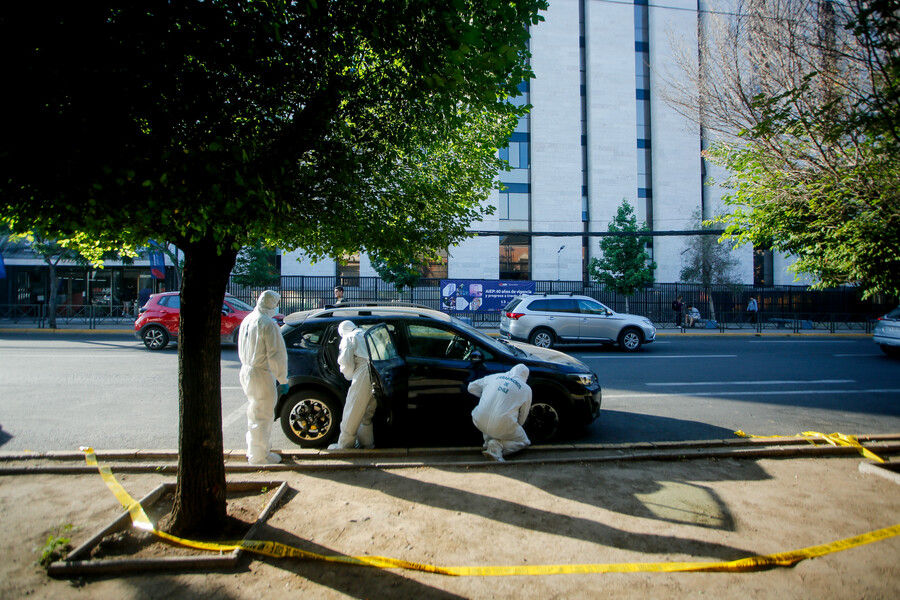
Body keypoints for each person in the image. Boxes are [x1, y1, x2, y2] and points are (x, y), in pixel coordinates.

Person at [239, 290, 289, 465]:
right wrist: (282, 379)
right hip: (261, 373)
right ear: (271, 304)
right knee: (263, 415)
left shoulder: (248, 320)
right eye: (276, 304)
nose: (277, 307)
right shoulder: (268, 324)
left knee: (254, 412)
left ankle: (255, 450)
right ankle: (259, 456)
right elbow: (276, 355)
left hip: (247, 371)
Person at [468, 364, 533, 462]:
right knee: (524, 441)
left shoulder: (493, 377)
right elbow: (523, 414)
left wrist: (485, 396)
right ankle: (497, 447)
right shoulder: (526, 389)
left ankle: (488, 441)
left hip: (478, 420)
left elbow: (470, 387)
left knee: (488, 413)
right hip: (502, 424)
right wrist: (517, 426)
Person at [328, 320, 377, 449]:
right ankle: (366, 443)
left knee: (353, 409)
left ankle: (345, 445)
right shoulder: (366, 332)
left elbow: (346, 361)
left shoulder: (348, 338)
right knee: (367, 412)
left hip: (363, 372)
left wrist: (349, 375)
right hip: (378, 371)